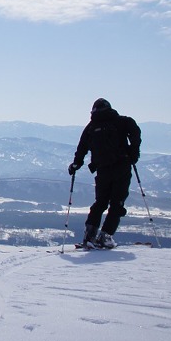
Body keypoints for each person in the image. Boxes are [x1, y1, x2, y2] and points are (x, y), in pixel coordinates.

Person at [69, 98, 142, 249]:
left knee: (100, 202)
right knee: (117, 203)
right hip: (122, 167)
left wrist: (76, 164)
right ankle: (106, 236)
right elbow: (136, 134)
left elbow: (82, 146)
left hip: (102, 169)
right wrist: (133, 153)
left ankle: (89, 235)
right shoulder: (122, 121)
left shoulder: (91, 127)